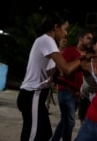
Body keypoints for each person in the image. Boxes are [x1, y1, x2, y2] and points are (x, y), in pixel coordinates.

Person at [16, 11, 83, 141]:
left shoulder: (45, 42)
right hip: (33, 95)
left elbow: (59, 74)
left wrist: (71, 86)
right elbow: (66, 69)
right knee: (31, 136)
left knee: (45, 133)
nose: (66, 33)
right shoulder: (47, 40)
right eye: (65, 29)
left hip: (35, 97)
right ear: (56, 27)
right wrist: (83, 58)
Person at [51, 30, 93, 141]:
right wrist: (71, 88)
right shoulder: (69, 51)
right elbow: (61, 73)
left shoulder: (89, 56)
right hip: (66, 91)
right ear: (81, 39)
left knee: (64, 121)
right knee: (70, 122)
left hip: (78, 94)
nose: (91, 41)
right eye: (88, 38)